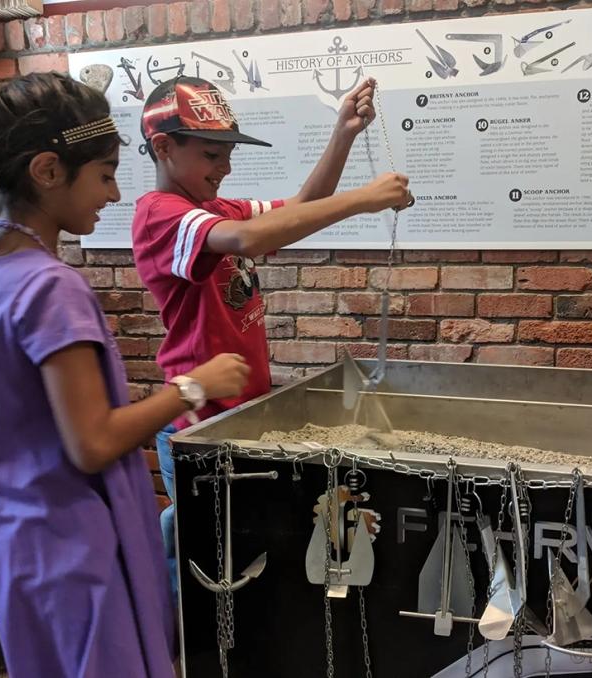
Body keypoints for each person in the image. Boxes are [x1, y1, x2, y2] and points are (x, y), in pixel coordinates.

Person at [0, 72, 249, 678]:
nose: (112, 196)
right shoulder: (49, 286)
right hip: (72, 550)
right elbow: (94, 443)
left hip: (15, 539)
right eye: (105, 175)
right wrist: (196, 386)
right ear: (49, 170)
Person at [131, 74, 412, 595]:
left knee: (234, 553)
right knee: (206, 567)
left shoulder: (215, 210)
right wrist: (364, 199)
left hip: (238, 417)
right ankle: (171, 652)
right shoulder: (159, 215)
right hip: (199, 424)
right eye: (213, 154)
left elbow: (303, 205)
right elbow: (249, 237)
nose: (226, 167)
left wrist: (343, 134)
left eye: (227, 154)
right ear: (164, 147)